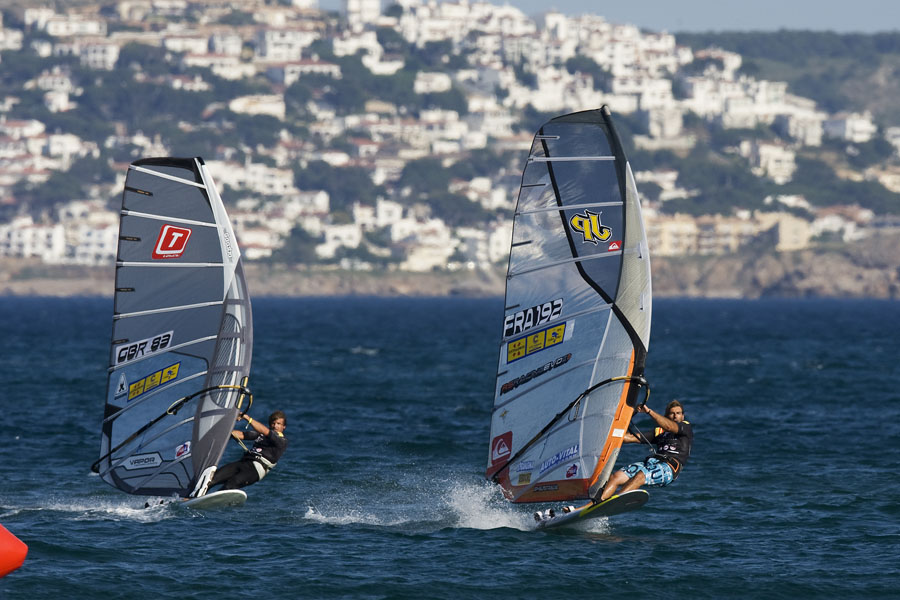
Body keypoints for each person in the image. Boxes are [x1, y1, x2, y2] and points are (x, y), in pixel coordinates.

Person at [597, 400, 692, 502]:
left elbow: (669, 426)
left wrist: (649, 411)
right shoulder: (659, 432)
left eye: (678, 413)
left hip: (669, 468)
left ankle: (615, 503)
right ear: (666, 416)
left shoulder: (685, 427)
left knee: (640, 476)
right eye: (672, 413)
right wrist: (606, 432)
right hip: (652, 463)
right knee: (617, 476)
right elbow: (629, 438)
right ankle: (597, 503)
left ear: (682, 416)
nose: (675, 416)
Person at [204, 410, 288, 494]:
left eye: (278, 424)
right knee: (212, 479)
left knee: (230, 485)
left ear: (284, 427)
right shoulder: (261, 435)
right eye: (273, 423)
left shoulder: (282, 441)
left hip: (255, 470)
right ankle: (197, 496)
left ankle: (213, 500)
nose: (275, 426)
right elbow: (242, 435)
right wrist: (221, 431)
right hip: (244, 462)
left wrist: (247, 418)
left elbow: (266, 431)